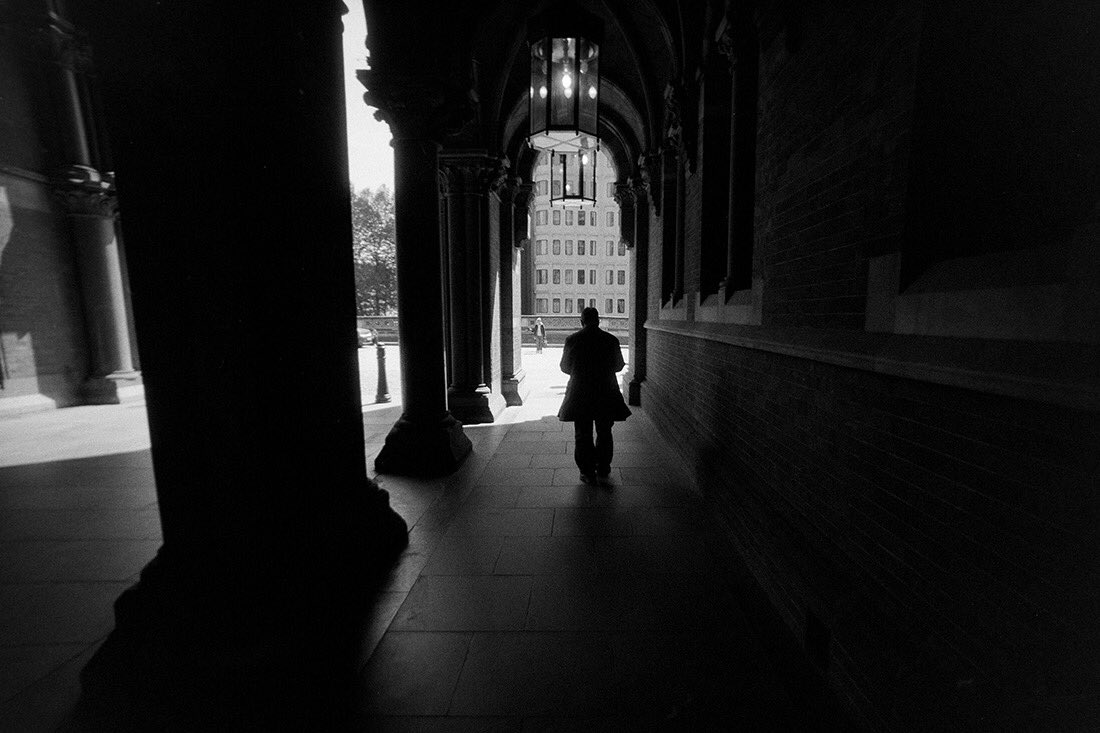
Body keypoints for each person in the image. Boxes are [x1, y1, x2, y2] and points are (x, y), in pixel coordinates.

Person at [557, 307, 631, 485]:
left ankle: (587, 471)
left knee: (583, 433)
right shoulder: (610, 340)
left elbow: (565, 367)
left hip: (580, 393)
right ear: (598, 320)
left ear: (581, 321)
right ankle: (603, 467)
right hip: (605, 391)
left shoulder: (572, 340)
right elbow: (619, 365)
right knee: (605, 431)